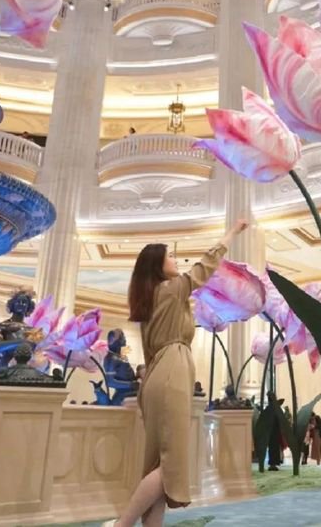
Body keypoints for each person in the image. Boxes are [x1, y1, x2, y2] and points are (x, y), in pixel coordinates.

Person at [110, 218, 249, 527]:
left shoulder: (149, 299)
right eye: (170, 256)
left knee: (158, 463)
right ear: (158, 266)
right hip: (172, 371)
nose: (175, 260)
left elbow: (148, 354)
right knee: (172, 462)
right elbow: (206, 265)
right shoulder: (172, 289)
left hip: (156, 375)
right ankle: (123, 524)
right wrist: (233, 232)